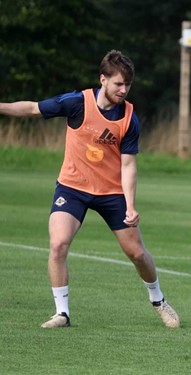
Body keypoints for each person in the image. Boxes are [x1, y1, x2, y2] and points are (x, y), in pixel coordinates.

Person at [0, 50, 180, 329]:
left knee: (137, 253)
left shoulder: (129, 118)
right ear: (103, 79)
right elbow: (33, 108)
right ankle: (62, 313)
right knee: (58, 244)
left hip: (111, 193)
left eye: (127, 85)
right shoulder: (77, 103)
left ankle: (158, 300)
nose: (123, 90)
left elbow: (129, 165)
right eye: (118, 84)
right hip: (72, 188)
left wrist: (131, 206)